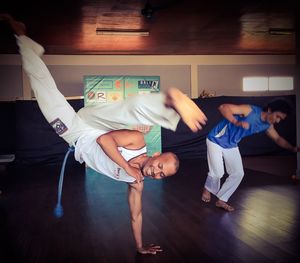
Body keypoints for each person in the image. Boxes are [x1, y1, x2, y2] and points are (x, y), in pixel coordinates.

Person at [0, 14, 207, 254]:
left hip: (74, 134)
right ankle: (170, 99)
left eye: (161, 175)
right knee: (132, 115)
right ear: (156, 154)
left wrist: (140, 247)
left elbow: (136, 213)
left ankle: (25, 42)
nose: (156, 173)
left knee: (44, 91)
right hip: (94, 125)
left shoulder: (136, 183)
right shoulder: (137, 144)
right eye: (160, 166)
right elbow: (103, 139)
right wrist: (128, 167)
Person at [201, 100, 299, 212]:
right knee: (218, 172)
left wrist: (292, 148)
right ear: (270, 110)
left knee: (238, 173)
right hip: (216, 139)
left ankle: (221, 200)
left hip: (231, 144)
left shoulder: (267, 126)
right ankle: (207, 188)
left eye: (280, 119)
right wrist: (236, 122)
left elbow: (277, 138)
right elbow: (223, 107)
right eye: (277, 116)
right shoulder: (250, 110)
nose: (277, 120)